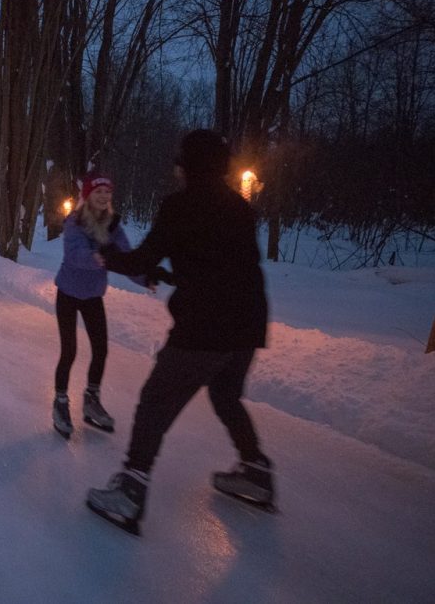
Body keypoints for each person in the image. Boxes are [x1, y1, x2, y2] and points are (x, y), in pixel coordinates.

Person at [85, 129, 273, 535]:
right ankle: (256, 470)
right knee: (225, 394)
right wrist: (163, 270)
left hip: (206, 325)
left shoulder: (180, 206)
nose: (176, 166)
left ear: (188, 165)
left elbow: (146, 255)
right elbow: (216, 261)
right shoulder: (240, 206)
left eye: (180, 160)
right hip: (249, 319)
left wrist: (107, 254)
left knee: (156, 401)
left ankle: (130, 489)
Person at [52, 173, 148, 439]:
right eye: (98, 192)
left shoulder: (113, 226)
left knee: (101, 350)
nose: (104, 197)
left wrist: (145, 277)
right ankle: (60, 402)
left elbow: (126, 257)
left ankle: (91, 400)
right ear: (87, 196)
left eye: (107, 192)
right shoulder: (75, 222)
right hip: (68, 294)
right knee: (69, 351)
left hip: (93, 295)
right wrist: (101, 256)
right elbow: (75, 255)